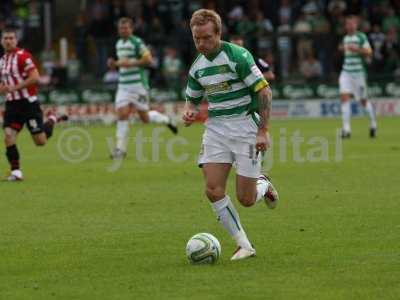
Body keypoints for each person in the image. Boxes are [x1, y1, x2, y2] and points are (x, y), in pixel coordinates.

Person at [183, 9, 279, 261]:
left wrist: (263, 131)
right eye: (196, 39)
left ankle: (263, 184)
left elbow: (264, 92)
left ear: (218, 34)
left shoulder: (238, 56)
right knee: (213, 189)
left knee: (245, 199)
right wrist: (189, 113)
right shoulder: (198, 67)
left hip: (246, 128)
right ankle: (244, 245)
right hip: (216, 130)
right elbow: (191, 101)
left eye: (206, 38)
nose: (201, 44)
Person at [0, 28, 67, 181]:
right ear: (1, 41)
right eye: (5, 38)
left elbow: (35, 77)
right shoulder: (2, 60)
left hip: (28, 104)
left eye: (11, 38)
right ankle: (16, 172)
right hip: (12, 105)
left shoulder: (23, 56)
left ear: (16, 40)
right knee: (8, 136)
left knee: (40, 141)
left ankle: (52, 119)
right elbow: (4, 85)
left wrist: (15, 88)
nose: (8, 41)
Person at [108, 17, 177, 159]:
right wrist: (113, 64)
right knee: (122, 114)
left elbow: (148, 59)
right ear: (118, 30)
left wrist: (131, 63)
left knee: (144, 118)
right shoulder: (119, 43)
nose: (124, 30)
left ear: (131, 29)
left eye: (126, 28)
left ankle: (165, 119)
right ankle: (120, 149)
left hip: (138, 85)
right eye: (121, 28)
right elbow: (121, 62)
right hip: (123, 86)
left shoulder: (137, 42)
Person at [339, 15, 377, 138]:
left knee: (363, 101)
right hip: (346, 72)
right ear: (345, 26)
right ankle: (346, 129)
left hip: (359, 74)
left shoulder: (361, 37)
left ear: (356, 25)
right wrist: (342, 48)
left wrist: (357, 49)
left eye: (352, 23)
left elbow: (369, 52)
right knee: (344, 98)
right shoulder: (345, 38)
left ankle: (373, 124)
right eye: (348, 23)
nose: (350, 26)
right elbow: (344, 51)